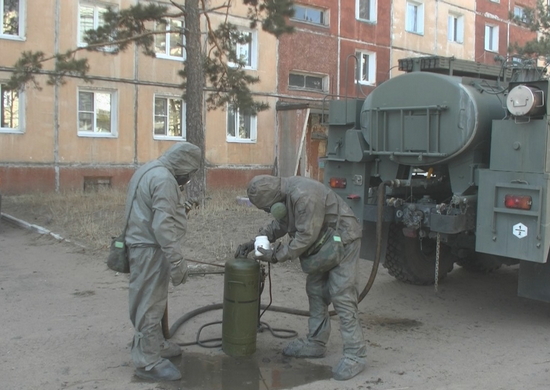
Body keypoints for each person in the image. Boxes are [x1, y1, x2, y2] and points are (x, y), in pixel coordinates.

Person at [236, 175, 368, 381]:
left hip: (343, 238)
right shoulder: (283, 195)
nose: (267, 212)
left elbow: (305, 237)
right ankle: (316, 342)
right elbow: (282, 223)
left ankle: (355, 355)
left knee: (342, 294)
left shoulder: (303, 196)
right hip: (323, 240)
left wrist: (277, 255)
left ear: (275, 199)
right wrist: (255, 242)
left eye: (267, 208)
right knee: (315, 289)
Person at [124, 142, 201, 381]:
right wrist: (177, 261)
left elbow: (152, 211)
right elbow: (161, 226)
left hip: (142, 244)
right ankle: (148, 362)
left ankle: (155, 343)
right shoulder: (165, 180)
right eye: (188, 174)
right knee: (149, 303)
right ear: (183, 167)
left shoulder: (149, 170)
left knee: (152, 298)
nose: (186, 179)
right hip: (151, 249)